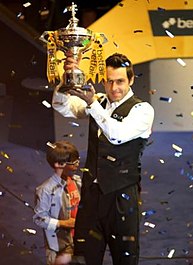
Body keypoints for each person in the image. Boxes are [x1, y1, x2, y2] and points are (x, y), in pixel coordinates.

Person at [52, 53, 154, 265]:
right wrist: (66, 81)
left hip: (122, 198)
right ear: (103, 80)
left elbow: (117, 135)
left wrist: (92, 104)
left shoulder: (142, 110)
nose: (114, 87)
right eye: (109, 81)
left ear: (131, 79)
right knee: (83, 259)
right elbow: (62, 106)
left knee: (124, 260)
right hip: (91, 198)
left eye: (120, 81)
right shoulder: (98, 101)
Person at [33, 140, 81, 265]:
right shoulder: (46, 190)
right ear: (59, 165)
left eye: (77, 159)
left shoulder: (77, 181)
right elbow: (39, 219)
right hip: (61, 248)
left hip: (79, 241)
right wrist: (64, 223)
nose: (78, 163)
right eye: (73, 161)